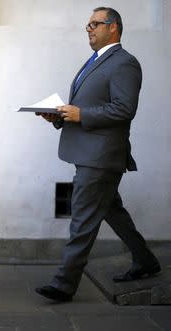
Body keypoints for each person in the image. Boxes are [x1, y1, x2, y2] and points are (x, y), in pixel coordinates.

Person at [35, 7, 161, 302]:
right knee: (112, 212)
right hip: (90, 152)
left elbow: (123, 109)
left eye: (95, 24)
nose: (89, 29)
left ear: (113, 27)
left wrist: (81, 114)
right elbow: (89, 106)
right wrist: (59, 116)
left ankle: (64, 284)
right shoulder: (96, 61)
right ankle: (146, 262)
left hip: (101, 157)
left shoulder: (125, 63)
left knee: (82, 218)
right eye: (87, 25)